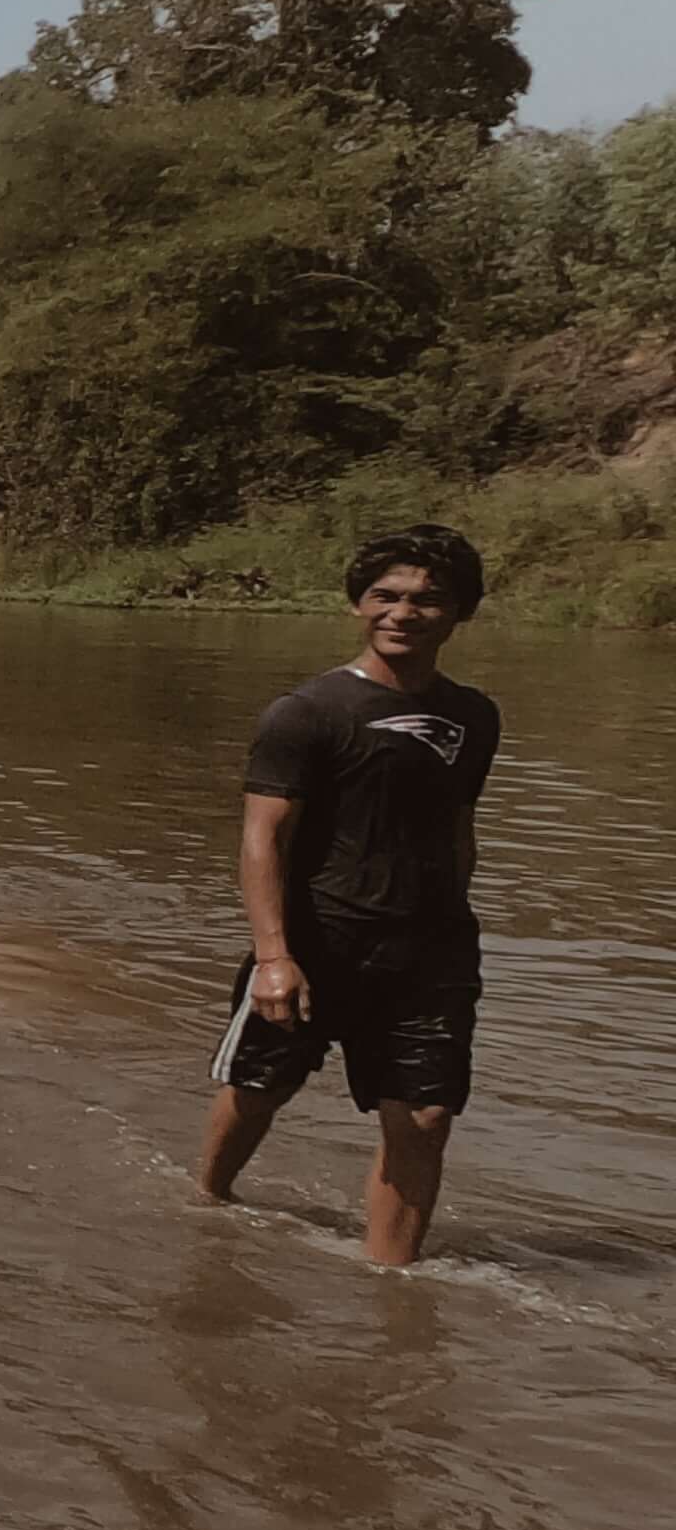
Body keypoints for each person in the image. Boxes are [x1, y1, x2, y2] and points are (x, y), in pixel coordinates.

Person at [194, 525, 502, 1266]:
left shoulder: (475, 716)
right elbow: (262, 840)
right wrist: (274, 957)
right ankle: (205, 1205)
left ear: (459, 614)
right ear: (358, 606)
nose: (403, 613)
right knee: (261, 1088)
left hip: (429, 953)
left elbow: (459, 827)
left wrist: (451, 927)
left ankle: (392, 1286)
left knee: (425, 1117)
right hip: (316, 941)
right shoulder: (306, 713)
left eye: (428, 600)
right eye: (385, 596)